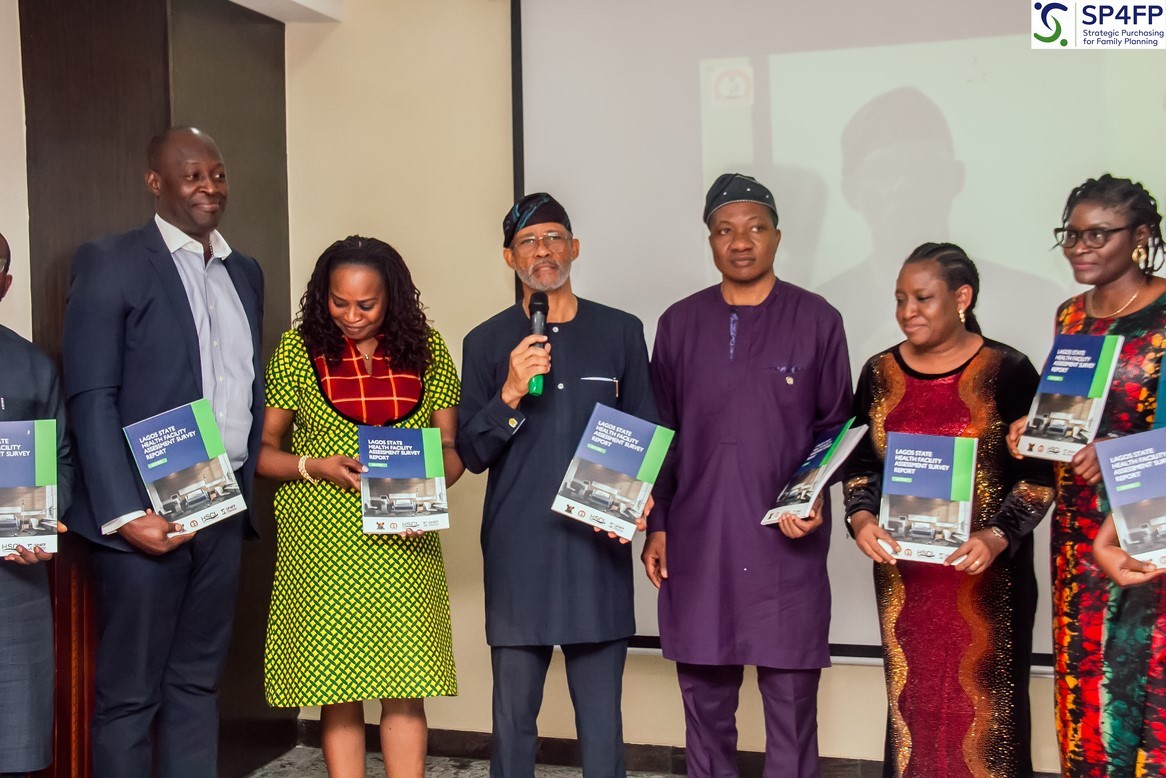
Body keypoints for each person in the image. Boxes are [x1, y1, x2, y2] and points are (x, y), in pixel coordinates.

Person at [62, 127, 265, 777]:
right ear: (156, 183)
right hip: (143, 516)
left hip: (218, 501)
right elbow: (90, 396)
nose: (209, 186)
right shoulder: (112, 261)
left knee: (196, 685)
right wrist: (125, 515)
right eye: (192, 175)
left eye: (218, 173)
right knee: (129, 698)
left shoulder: (245, 272)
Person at [644, 173, 852, 778]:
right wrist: (658, 524)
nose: (741, 242)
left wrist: (810, 499)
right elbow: (663, 433)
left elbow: (835, 428)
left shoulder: (817, 320)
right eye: (725, 230)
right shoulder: (680, 324)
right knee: (705, 703)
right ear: (709, 241)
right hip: (699, 539)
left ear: (777, 237)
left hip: (784, 543)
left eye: (755, 228)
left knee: (790, 706)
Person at [457, 193, 656, 778]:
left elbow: (647, 428)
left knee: (601, 722)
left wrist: (641, 498)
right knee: (514, 720)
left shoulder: (621, 331)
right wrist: (511, 393)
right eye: (527, 241)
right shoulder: (487, 342)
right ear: (507, 257)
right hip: (520, 550)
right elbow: (471, 451)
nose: (542, 250)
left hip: (597, 548)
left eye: (552, 237)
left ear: (574, 247)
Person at [842, 243, 1055, 778]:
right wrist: (861, 518)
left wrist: (998, 536)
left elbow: (1039, 475)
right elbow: (859, 464)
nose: (907, 310)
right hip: (905, 580)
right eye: (899, 299)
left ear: (962, 297)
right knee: (911, 708)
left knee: (988, 720)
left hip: (987, 584)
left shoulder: (1009, 370)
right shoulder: (877, 373)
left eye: (922, 297)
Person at [258, 236, 462, 778]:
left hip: (404, 541)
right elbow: (263, 453)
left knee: (407, 684)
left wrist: (425, 493)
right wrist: (316, 465)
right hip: (323, 545)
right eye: (338, 301)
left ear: (391, 298)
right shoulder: (297, 351)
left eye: (366, 304)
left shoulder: (428, 350)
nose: (351, 316)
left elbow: (449, 450)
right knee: (338, 687)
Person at [1006, 174, 1166, 776]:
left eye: (1098, 234)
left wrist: (1118, 449)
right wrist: (1034, 429)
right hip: (1076, 529)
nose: (1079, 246)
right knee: (1082, 677)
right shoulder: (1070, 315)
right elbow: (1071, 414)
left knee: (1143, 677)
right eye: (1070, 234)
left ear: (1141, 236)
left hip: (1147, 525)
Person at [0, 230, 73, 775]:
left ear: (4, 284)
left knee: (16, 735)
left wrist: (42, 518)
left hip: (13, 582)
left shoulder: (31, 368)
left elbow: (61, 462)